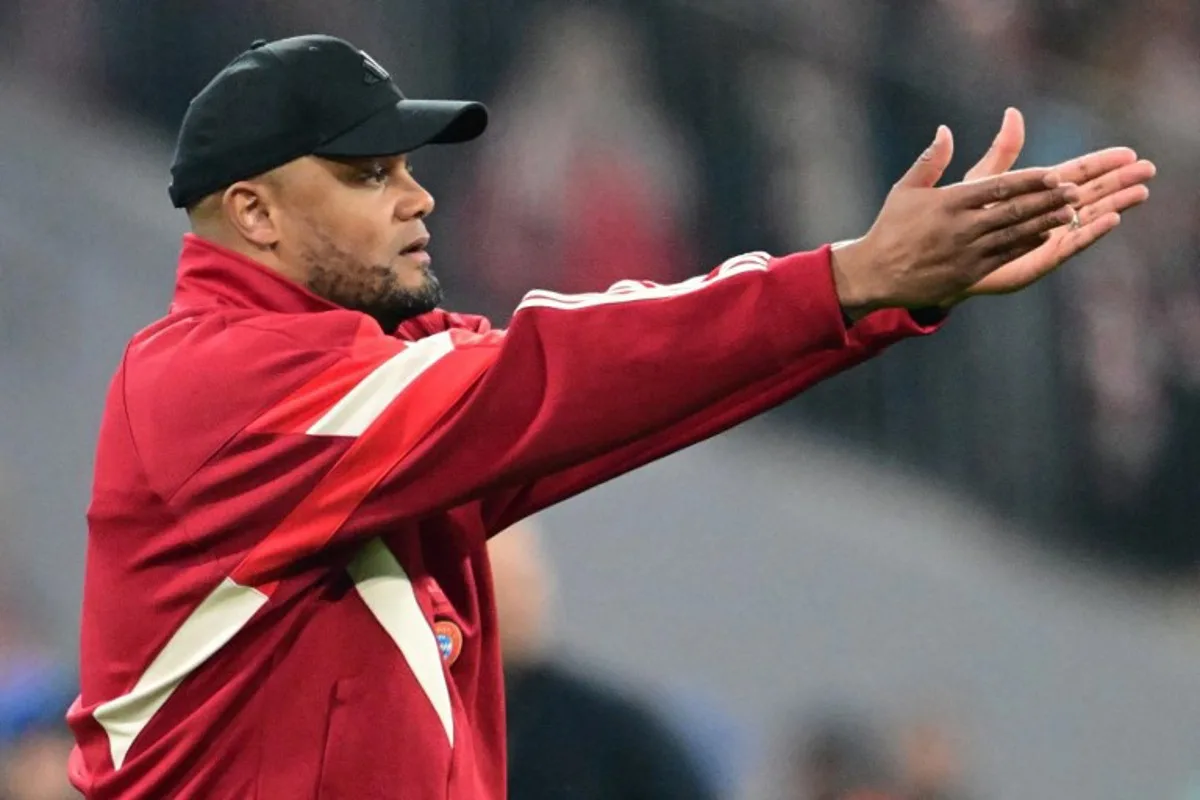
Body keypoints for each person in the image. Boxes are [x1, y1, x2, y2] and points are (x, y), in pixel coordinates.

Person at [65, 33, 1154, 800]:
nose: (418, 197)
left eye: (407, 167)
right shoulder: (215, 384)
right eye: (366, 174)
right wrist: (850, 279)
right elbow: (561, 373)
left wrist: (879, 297)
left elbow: (609, 401)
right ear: (251, 210)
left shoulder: (365, 396)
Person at [490, 519, 717, 800]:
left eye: (522, 585)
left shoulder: (614, 733)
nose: (516, 606)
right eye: (497, 590)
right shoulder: (433, 713)